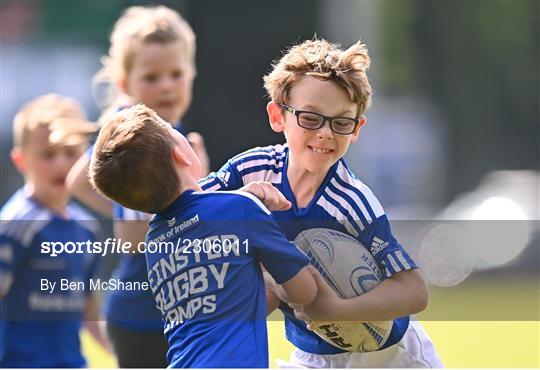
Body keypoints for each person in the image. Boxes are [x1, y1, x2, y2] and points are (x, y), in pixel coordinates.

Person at [198, 38, 444, 368]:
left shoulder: (352, 203)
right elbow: (190, 209)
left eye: (341, 122)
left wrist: (336, 311)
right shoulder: (251, 170)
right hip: (314, 353)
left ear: (357, 129)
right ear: (277, 116)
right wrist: (240, 200)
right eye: (311, 118)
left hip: (386, 355)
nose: (326, 133)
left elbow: (414, 292)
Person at [88, 104, 317, 367]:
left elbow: (227, 307)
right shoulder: (240, 209)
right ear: (181, 155)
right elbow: (305, 292)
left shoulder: (154, 242)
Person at [66, 6, 209, 367]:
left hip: (173, 310)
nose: (166, 85)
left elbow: (77, 181)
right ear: (125, 84)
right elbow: (132, 238)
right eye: (152, 77)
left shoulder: (162, 127)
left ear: (192, 74)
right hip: (144, 317)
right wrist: (193, 200)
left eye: (176, 74)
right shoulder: (137, 139)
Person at [0, 94, 107, 367]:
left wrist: (125, 354)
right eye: (48, 154)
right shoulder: (15, 225)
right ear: (21, 160)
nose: (60, 164)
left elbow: (90, 312)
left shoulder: (87, 229)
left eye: (70, 153)